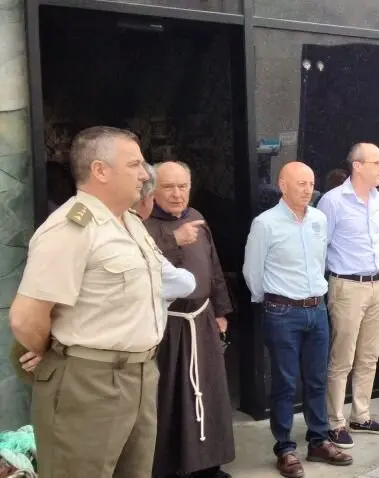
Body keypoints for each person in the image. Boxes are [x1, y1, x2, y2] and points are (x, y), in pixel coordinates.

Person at [8, 126, 167, 477]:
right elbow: (25, 316)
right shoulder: (71, 226)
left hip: (140, 376)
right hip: (90, 382)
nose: (144, 174)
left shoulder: (130, 222)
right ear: (100, 170)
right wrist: (54, 351)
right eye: (135, 164)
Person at [244, 161, 352, 478]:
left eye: (311, 183)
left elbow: (320, 262)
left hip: (316, 310)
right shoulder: (265, 224)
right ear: (282, 185)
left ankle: (318, 441)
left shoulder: (319, 219)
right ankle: (286, 449)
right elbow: (253, 271)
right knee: (285, 383)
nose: (308, 189)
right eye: (301, 183)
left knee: (317, 380)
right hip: (282, 312)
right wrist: (273, 301)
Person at [144, 161, 236, 478]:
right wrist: (173, 240)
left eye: (183, 186)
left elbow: (213, 267)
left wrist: (221, 310)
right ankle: (172, 466)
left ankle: (209, 464)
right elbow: (141, 269)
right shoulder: (142, 225)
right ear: (153, 190)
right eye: (169, 187)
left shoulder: (197, 218)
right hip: (168, 323)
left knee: (208, 391)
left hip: (203, 319)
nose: (177, 194)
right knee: (171, 395)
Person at [317, 143, 379, 450]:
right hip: (347, 287)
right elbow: (320, 247)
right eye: (377, 163)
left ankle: (361, 414)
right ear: (357, 166)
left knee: (369, 356)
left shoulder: (377, 199)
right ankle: (333, 422)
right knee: (342, 359)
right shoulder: (333, 202)